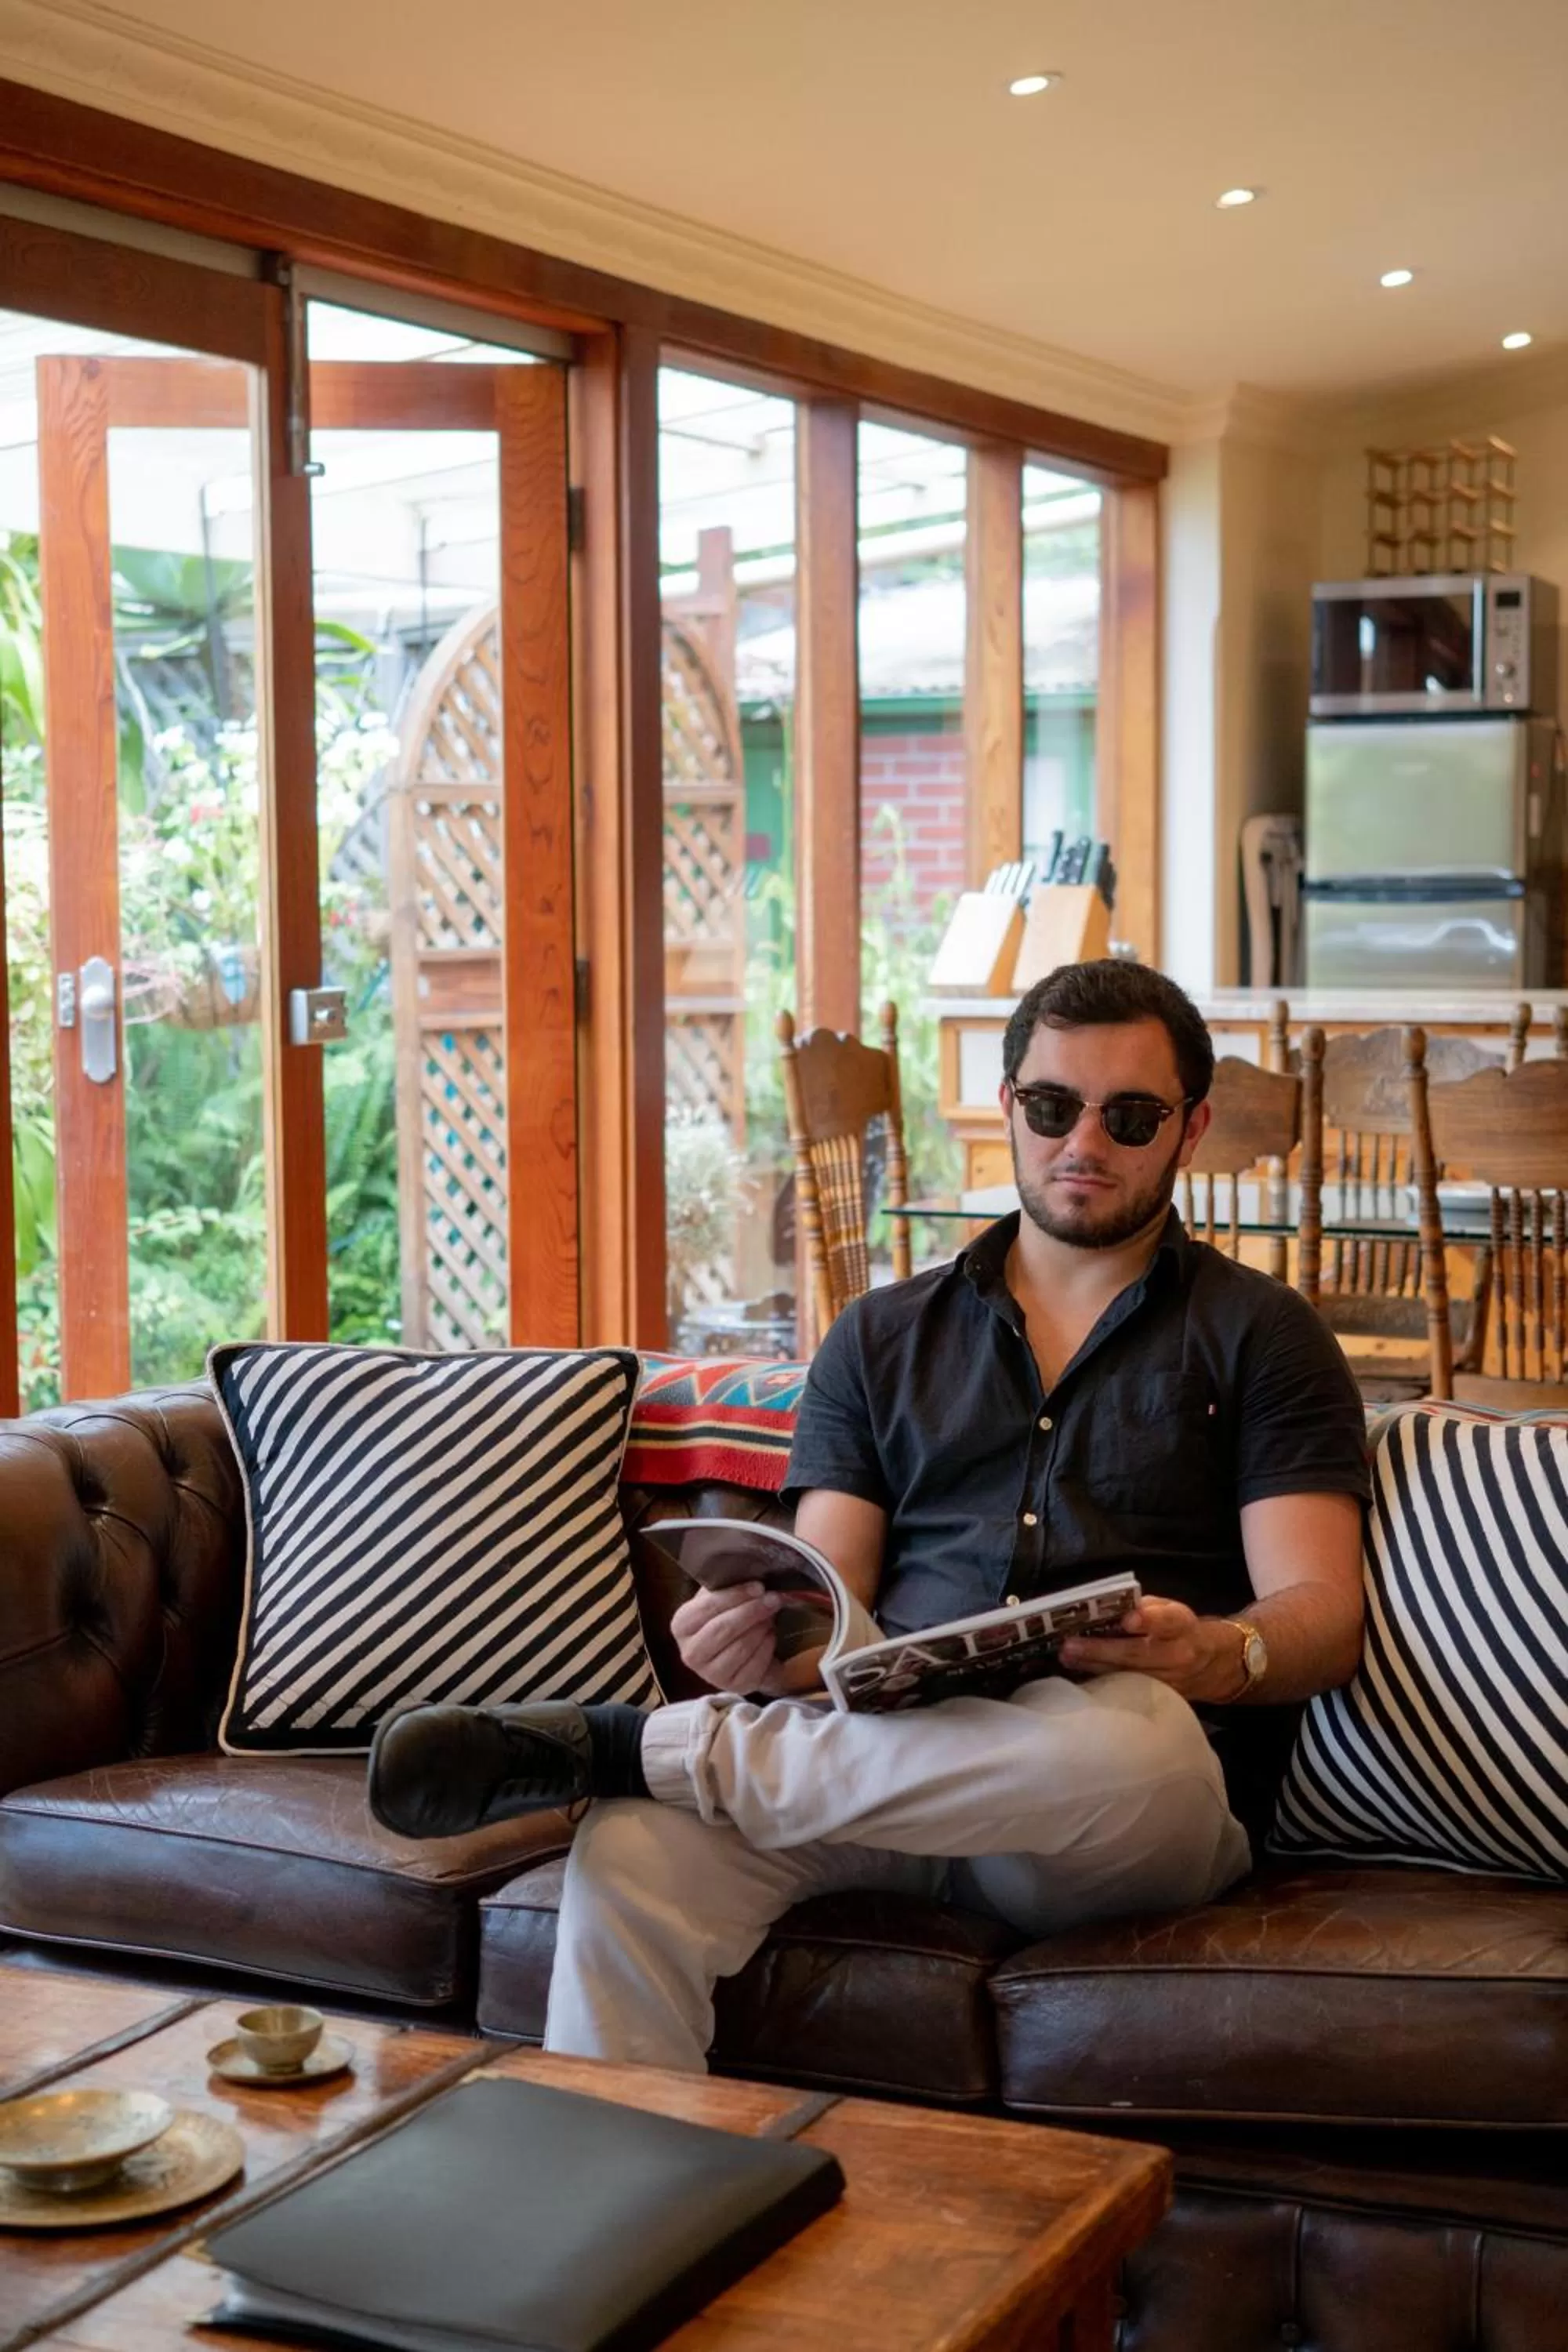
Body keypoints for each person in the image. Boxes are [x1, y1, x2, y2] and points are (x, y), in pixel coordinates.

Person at [369, 960, 1370, 2073]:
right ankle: (615, 2206)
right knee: (633, 1848)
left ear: (1191, 1131)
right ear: (1008, 1109)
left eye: (1129, 1117)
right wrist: (759, 1641)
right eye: (1051, 1107)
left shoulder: (1265, 1335)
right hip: (886, 1771)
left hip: (1115, 1811)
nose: (1083, 1143)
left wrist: (1216, 1654)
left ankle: (642, 1747)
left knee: (1130, 1738)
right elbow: (824, 1608)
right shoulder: (880, 1337)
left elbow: (1323, 1614)